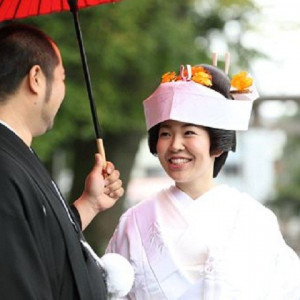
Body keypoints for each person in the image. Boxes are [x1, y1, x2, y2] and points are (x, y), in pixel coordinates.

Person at [106, 61, 300, 299]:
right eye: (165, 133)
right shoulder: (135, 221)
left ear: (217, 145)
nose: (175, 145)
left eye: (189, 132)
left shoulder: (254, 220)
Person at [0, 23, 125, 299]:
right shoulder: (4, 167)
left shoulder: (16, 154)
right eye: (62, 78)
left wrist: (88, 204)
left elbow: (41, 240)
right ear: (36, 78)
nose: (63, 91)